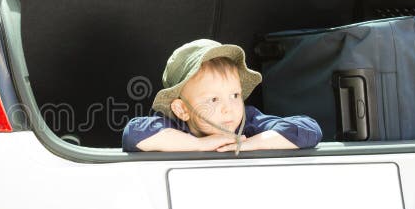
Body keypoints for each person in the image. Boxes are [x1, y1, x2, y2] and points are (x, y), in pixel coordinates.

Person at [122, 39, 322, 153]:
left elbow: (308, 129)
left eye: (234, 95)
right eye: (213, 99)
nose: (229, 108)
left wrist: (251, 143)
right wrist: (199, 145)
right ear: (182, 109)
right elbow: (134, 133)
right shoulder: (174, 126)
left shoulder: (248, 122)